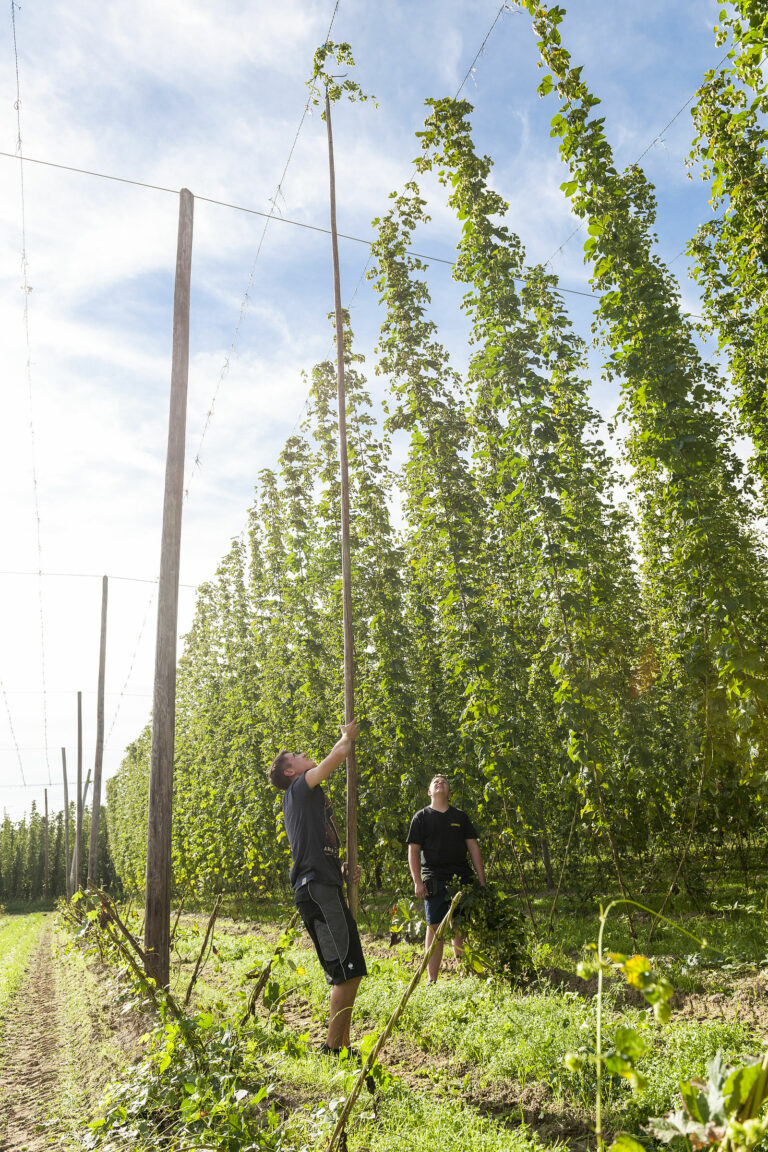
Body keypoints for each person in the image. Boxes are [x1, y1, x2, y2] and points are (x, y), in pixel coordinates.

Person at [269, 720, 366, 1054]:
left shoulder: (308, 800)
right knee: (345, 970)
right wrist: (345, 738)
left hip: (324, 884)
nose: (303, 753)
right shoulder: (298, 790)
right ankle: (332, 1050)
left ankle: (342, 1046)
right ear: (291, 773)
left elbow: (314, 846)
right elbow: (334, 758)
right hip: (316, 889)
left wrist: (339, 870)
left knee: (350, 968)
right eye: (296, 755)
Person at [406, 774, 486, 983]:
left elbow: (473, 848)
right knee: (434, 928)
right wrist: (417, 881)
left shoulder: (460, 817)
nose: (439, 783)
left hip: (461, 880)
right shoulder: (421, 817)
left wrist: (482, 880)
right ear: (429, 792)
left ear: (449, 793)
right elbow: (413, 851)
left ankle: (464, 974)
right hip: (433, 879)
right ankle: (432, 980)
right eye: (435, 782)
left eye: (444, 782)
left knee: (460, 926)